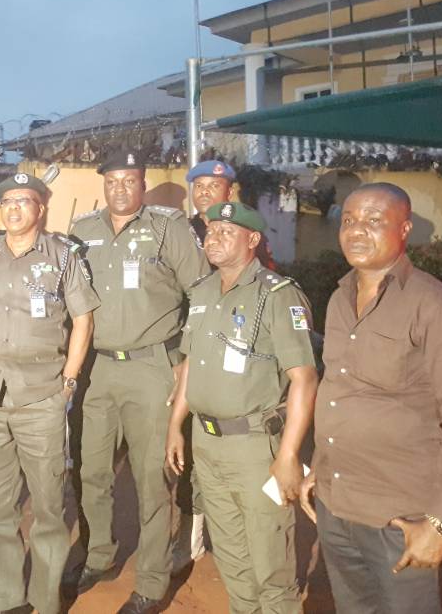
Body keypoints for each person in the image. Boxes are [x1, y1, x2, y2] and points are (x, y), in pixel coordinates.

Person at [299, 183, 442, 614]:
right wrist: (323, 470)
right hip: (338, 505)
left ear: (404, 230)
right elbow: (341, 390)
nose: (356, 231)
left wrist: (440, 522)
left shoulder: (436, 306)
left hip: (399, 518)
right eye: (348, 220)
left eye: (373, 221)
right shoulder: (338, 298)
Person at [67, 150, 208, 614]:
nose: (121, 189)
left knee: (152, 478)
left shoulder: (169, 228)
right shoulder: (82, 231)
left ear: (143, 184)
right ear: (103, 185)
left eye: (130, 181)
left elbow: (202, 294)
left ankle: (150, 581)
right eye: (113, 181)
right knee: (92, 471)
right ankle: (100, 555)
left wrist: (183, 359)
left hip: (152, 367)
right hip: (98, 369)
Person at [166, 201, 318, 614]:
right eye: (210, 231)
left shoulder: (278, 295)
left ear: (253, 240)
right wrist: (175, 427)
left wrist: (288, 455)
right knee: (232, 558)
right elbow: (189, 368)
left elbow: (305, 378)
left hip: (255, 448)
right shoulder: (200, 293)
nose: (213, 239)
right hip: (208, 444)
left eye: (225, 232)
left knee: (271, 564)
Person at [0, 172, 98, 614]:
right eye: (7, 202)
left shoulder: (62, 257)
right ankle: (9, 597)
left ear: (41, 208)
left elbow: (83, 320)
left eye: (24, 201)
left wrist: (69, 380)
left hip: (41, 397)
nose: (14, 208)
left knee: (48, 506)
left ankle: (45, 598)